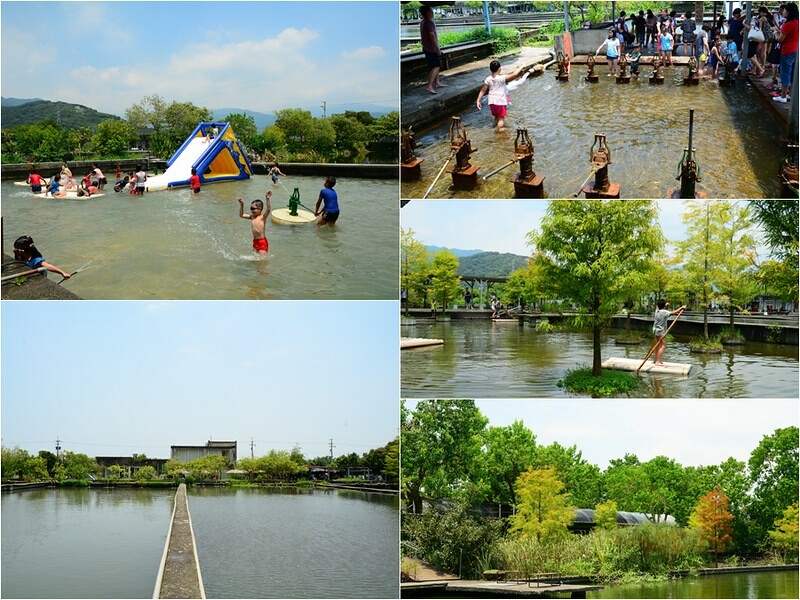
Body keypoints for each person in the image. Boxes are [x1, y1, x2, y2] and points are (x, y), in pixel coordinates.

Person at [476, 59, 525, 130]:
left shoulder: (488, 79)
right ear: (499, 69)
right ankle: (499, 131)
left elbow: (483, 90)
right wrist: (522, 66)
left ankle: (494, 127)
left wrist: (478, 100)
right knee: (501, 118)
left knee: (496, 116)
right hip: (500, 101)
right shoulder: (502, 78)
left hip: (491, 101)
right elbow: (514, 74)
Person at [774, 2, 798, 103]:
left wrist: (776, 33)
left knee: (785, 74)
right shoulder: (797, 22)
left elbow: (780, 40)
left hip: (786, 51)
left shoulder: (788, 24)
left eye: (784, 10)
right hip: (795, 50)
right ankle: (791, 95)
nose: (783, 12)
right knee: (792, 74)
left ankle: (783, 96)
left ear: (788, 12)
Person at [652, 300, 687, 365]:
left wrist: (666, 305)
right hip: (660, 331)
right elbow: (673, 313)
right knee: (663, 346)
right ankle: (657, 361)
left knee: (657, 345)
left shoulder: (657, 310)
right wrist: (681, 308)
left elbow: (667, 312)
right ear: (664, 305)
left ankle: (655, 360)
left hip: (655, 329)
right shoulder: (664, 312)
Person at [420, 5, 445, 94]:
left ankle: (437, 82)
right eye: (431, 11)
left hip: (427, 47)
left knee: (436, 65)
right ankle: (429, 86)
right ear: (427, 12)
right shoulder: (429, 23)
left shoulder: (423, 22)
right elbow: (432, 36)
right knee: (436, 67)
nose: (432, 13)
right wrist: (437, 49)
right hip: (431, 48)